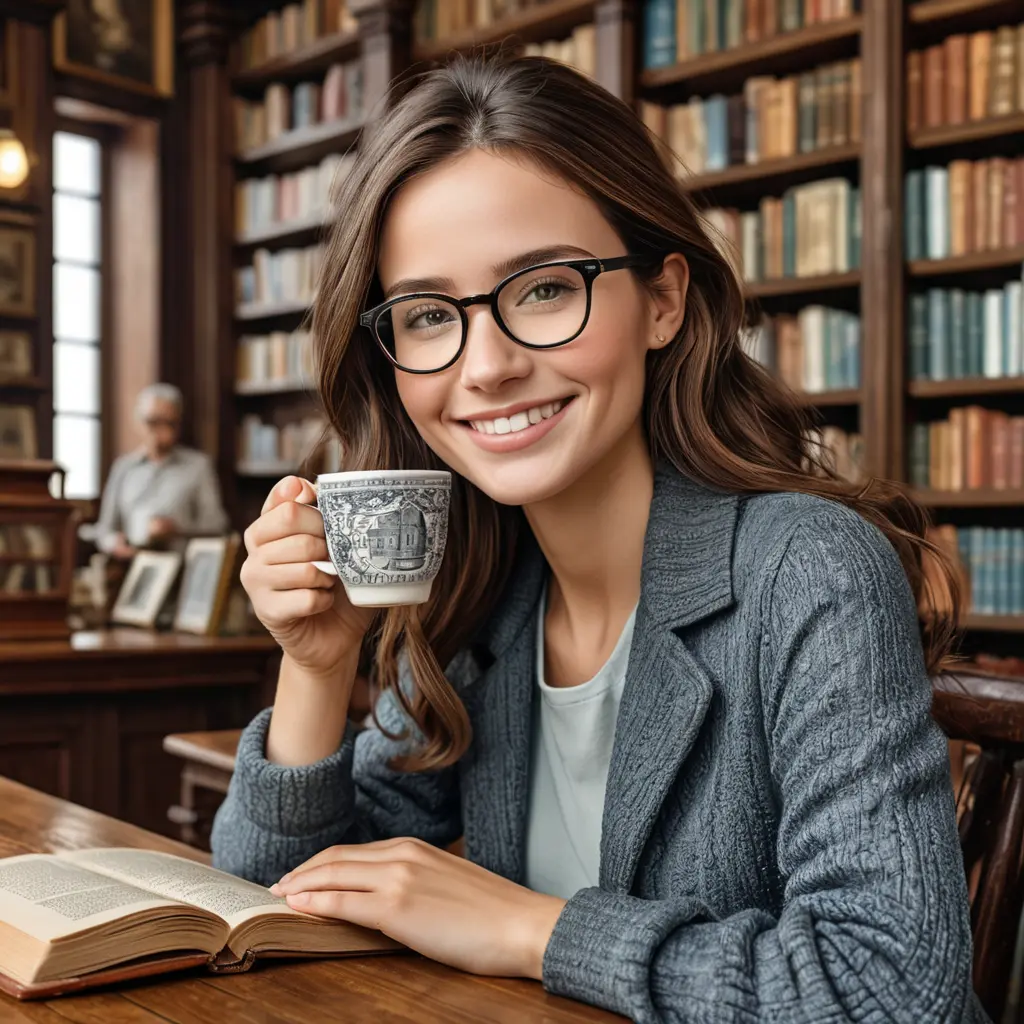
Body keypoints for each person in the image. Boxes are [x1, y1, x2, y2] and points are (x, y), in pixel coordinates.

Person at [211, 56, 986, 1022]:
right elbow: (272, 909)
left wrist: (533, 929)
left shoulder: (807, 570)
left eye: (542, 289)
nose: (485, 365)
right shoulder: (478, 585)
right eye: (427, 315)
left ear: (663, 300)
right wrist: (317, 669)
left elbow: (893, 992)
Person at [93, 383, 228, 558]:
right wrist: (114, 544)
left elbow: (217, 526)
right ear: (138, 421)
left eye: (169, 424)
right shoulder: (123, 468)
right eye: (153, 422)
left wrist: (176, 529)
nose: (162, 432)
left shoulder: (198, 466)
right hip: (131, 564)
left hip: (179, 564)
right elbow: (104, 530)